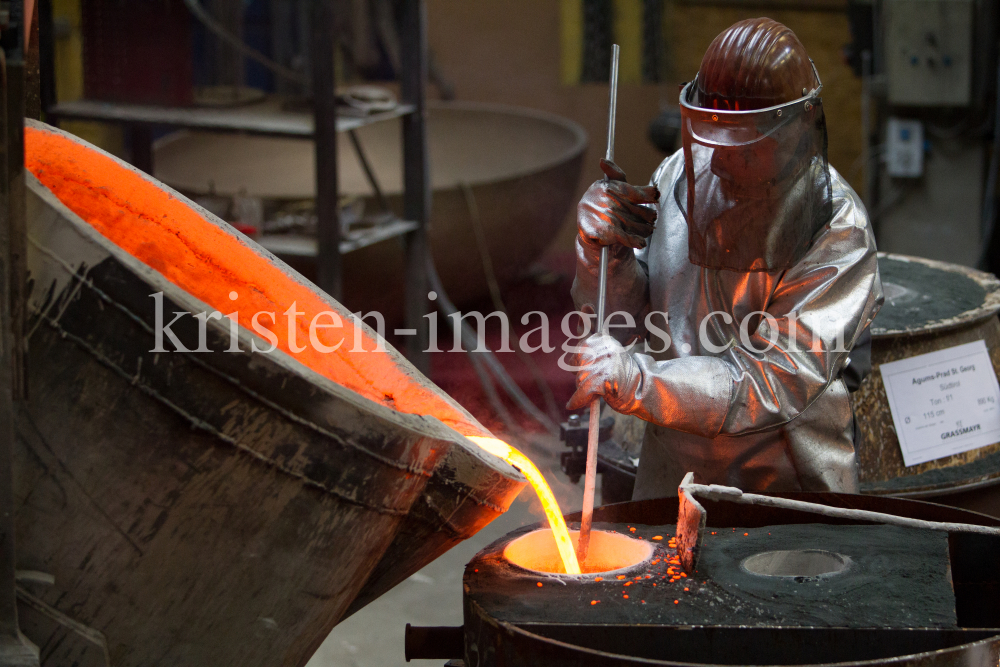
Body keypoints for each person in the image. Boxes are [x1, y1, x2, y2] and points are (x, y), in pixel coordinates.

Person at [567, 17, 883, 498]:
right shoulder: (681, 174)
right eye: (709, 137)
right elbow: (626, 323)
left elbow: (768, 382)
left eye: (745, 149)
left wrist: (637, 380)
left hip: (782, 485)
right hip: (670, 470)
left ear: (796, 133)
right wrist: (603, 257)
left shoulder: (837, 231)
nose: (717, 162)